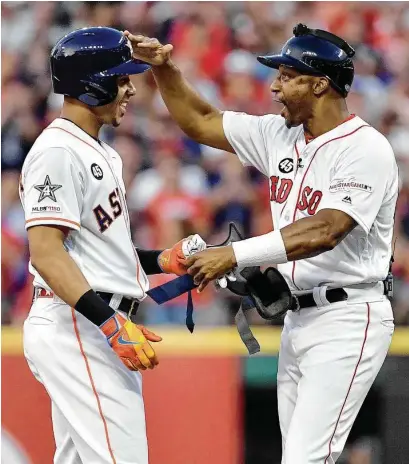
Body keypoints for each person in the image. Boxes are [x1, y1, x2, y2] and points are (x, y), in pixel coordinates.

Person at [124, 24, 399, 463]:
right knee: (300, 455)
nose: (274, 86)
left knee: (305, 458)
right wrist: (166, 69)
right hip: (296, 317)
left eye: (288, 76)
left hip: (349, 316)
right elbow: (201, 121)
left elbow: (324, 230)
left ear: (321, 83)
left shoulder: (365, 148)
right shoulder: (280, 134)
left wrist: (234, 254)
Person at [20, 27, 203, 464]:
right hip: (78, 324)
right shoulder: (58, 150)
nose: (131, 88)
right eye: (121, 78)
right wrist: (109, 324)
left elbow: (94, 247)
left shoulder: (99, 151)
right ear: (92, 82)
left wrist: (160, 259)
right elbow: (46, 253)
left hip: (87, 319)